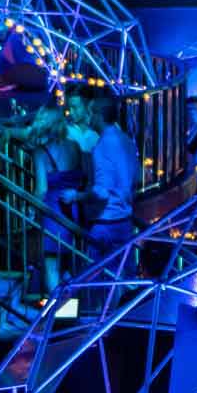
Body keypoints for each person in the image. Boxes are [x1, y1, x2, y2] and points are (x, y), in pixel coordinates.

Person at [28, 106, 84, 298]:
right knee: (68, 265)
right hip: (72, 210)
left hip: (53, 212)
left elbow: (41, 189)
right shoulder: (74, 147)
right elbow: (84, 176)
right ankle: (71, 307)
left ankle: (55, 310)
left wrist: (31, 208)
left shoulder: (40, 152)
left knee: (51, 264)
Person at [78, 92, 139, 264]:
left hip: (105, 223)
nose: (88, 117)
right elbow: (137, 178)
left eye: (90, 113)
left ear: (99, 115)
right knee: (123, 274)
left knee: (95, 276)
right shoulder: (127, 141)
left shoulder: (101, 146)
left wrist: (76, 196)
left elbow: (101, 192)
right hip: (125, 221)